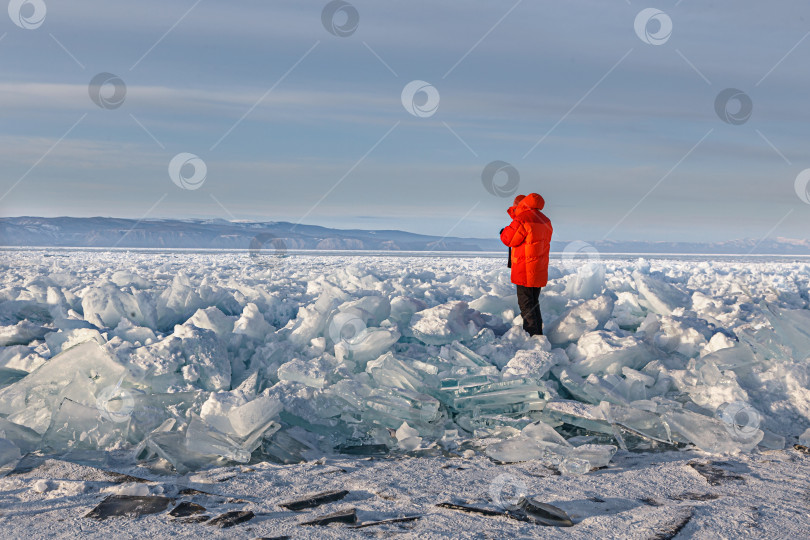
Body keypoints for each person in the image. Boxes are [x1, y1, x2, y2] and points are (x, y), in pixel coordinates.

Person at [500, 193, 553, 336]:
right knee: (534, 303)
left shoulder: (522, 219)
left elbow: (508, 239)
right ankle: (538, 334)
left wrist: (503, 231)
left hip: (525, 268)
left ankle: (532, 335)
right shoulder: (545, 220)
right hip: (538, 268)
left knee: (526, 304)